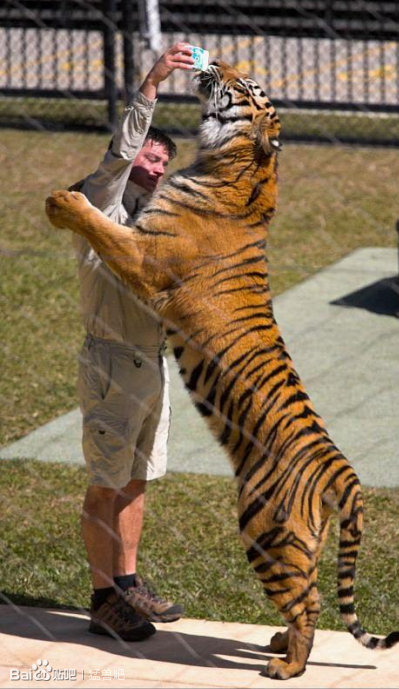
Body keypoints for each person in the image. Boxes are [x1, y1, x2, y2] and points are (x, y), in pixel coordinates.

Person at [72, 42, 194, 642]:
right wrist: (154, 82)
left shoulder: (156, 221)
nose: (158, 160)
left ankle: (127, 583)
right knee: (106, 481)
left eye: (165, 157)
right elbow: (118, 155)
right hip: (111, 363)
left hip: (153, 367)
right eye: (152, 151)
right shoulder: (101, 205)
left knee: (138, 479)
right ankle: (102, 599)